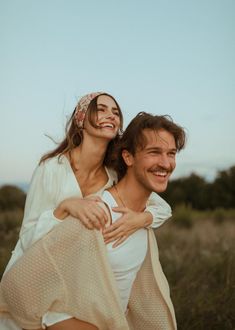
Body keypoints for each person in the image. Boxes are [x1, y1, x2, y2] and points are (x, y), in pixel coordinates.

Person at [0, 93, 172, 330]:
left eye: (115, 112)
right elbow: (28, 236)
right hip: (37, 271)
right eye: (101, 109)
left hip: (77, 278)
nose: (111, 115)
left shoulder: (114, 173)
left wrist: (142, 218)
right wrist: (65, 208)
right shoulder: (52, 168)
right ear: (82, 118)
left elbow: (162, 206)